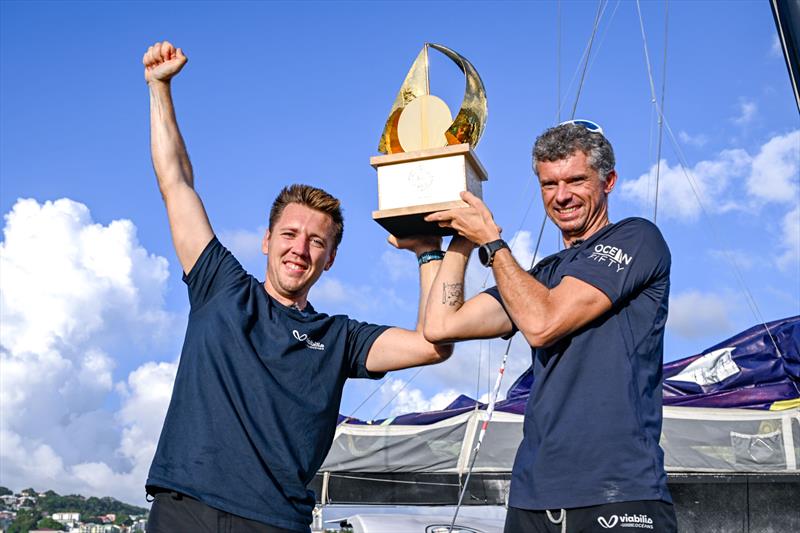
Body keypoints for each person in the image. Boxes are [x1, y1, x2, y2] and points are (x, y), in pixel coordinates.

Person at [142, 41, 452, 533]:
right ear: (266, 241)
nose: (299, 249)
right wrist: (160, 88)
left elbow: (433, 344)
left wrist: (430, 251)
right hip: (187, 509)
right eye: (289, 235)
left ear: (330, 258)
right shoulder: (220, 285)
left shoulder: (340, 338)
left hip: (276, 521)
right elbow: (175, 182)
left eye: (316, 242)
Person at [424, 121, 677, 532]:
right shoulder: (537, 278)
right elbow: (441, 325)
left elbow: (543, 323)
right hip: (533, 496)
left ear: (609, 181)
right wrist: (460, 240)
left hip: (619, 491)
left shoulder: (637, 238)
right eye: (549, 184)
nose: (562, 196)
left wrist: (492, 243)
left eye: (576, 180)